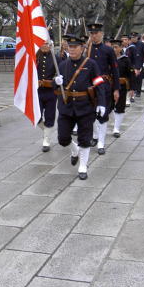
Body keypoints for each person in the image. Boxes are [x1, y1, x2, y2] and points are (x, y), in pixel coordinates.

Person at [54, 35, 105, 179]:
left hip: (85, 106)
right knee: (63, 138)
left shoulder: (91, 64)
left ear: (82, 48)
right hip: (66, 106)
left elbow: (99, 84)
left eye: (75, 47)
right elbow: (55, 85)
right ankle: (74, 150)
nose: (72, 49)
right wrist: (55, 81)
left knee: (84, 137)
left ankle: (83, 166)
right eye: (70, 47)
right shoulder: (63, 65)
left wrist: (101, 103)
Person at [87, 23, 120, 155]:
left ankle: (101, 142)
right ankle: (95, 135)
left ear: (101, 34)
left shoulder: (108, 50)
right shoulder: (86, 49)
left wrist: (116, 89)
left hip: (104, 86)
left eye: (96, 33)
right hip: (89, 86)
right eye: (92, 33)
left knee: (103, 114)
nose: (94, 35)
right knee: (90, 113)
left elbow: (115, 70)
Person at [36, 41, 60, 151]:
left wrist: (55, 82)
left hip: (50, 92)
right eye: (42, 43)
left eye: (47, 43)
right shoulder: (35, 57)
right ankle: (47, 131)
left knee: (50, 116)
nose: (44, 46)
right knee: (36, 116)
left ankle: (46, 141)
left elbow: (60, 74)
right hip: (37, 91)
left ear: (50, 45)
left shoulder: (55, 58)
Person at [110, 39, 132, 137]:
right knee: (108, 107)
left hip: (122, 86)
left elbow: (130, 74)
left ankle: (116, 129)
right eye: (112, 47)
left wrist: (132, 88)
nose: (114, 49)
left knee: (120, 107)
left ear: (121, 48)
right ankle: (114, 122)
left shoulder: (125, 59)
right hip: (109, 85)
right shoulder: (108, 59)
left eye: (116, 47)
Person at [129, 32, 144, 98]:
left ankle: (138, 91)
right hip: (132, 63)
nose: (133, 38)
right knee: (133, 78)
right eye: (132, 37)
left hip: (139, 62)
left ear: (137, 37)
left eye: (134, 37)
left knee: (139, 78)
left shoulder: (142, 44)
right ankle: (133, 91)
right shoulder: (130, 44)